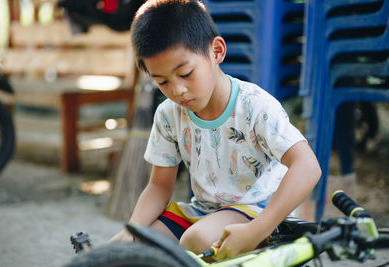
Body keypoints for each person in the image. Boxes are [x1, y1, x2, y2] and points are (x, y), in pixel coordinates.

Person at [110, 0, 321, 261]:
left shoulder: (254, 105)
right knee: (141, 248)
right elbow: (158, 186)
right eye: (162, 81)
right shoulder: (168, 114)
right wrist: (132, 232)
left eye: (185, 73)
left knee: (196, 240)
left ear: (217, 51)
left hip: (260, 212)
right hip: (204, 211)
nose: (177, 90)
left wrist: (257, 229)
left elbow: (308, 166)